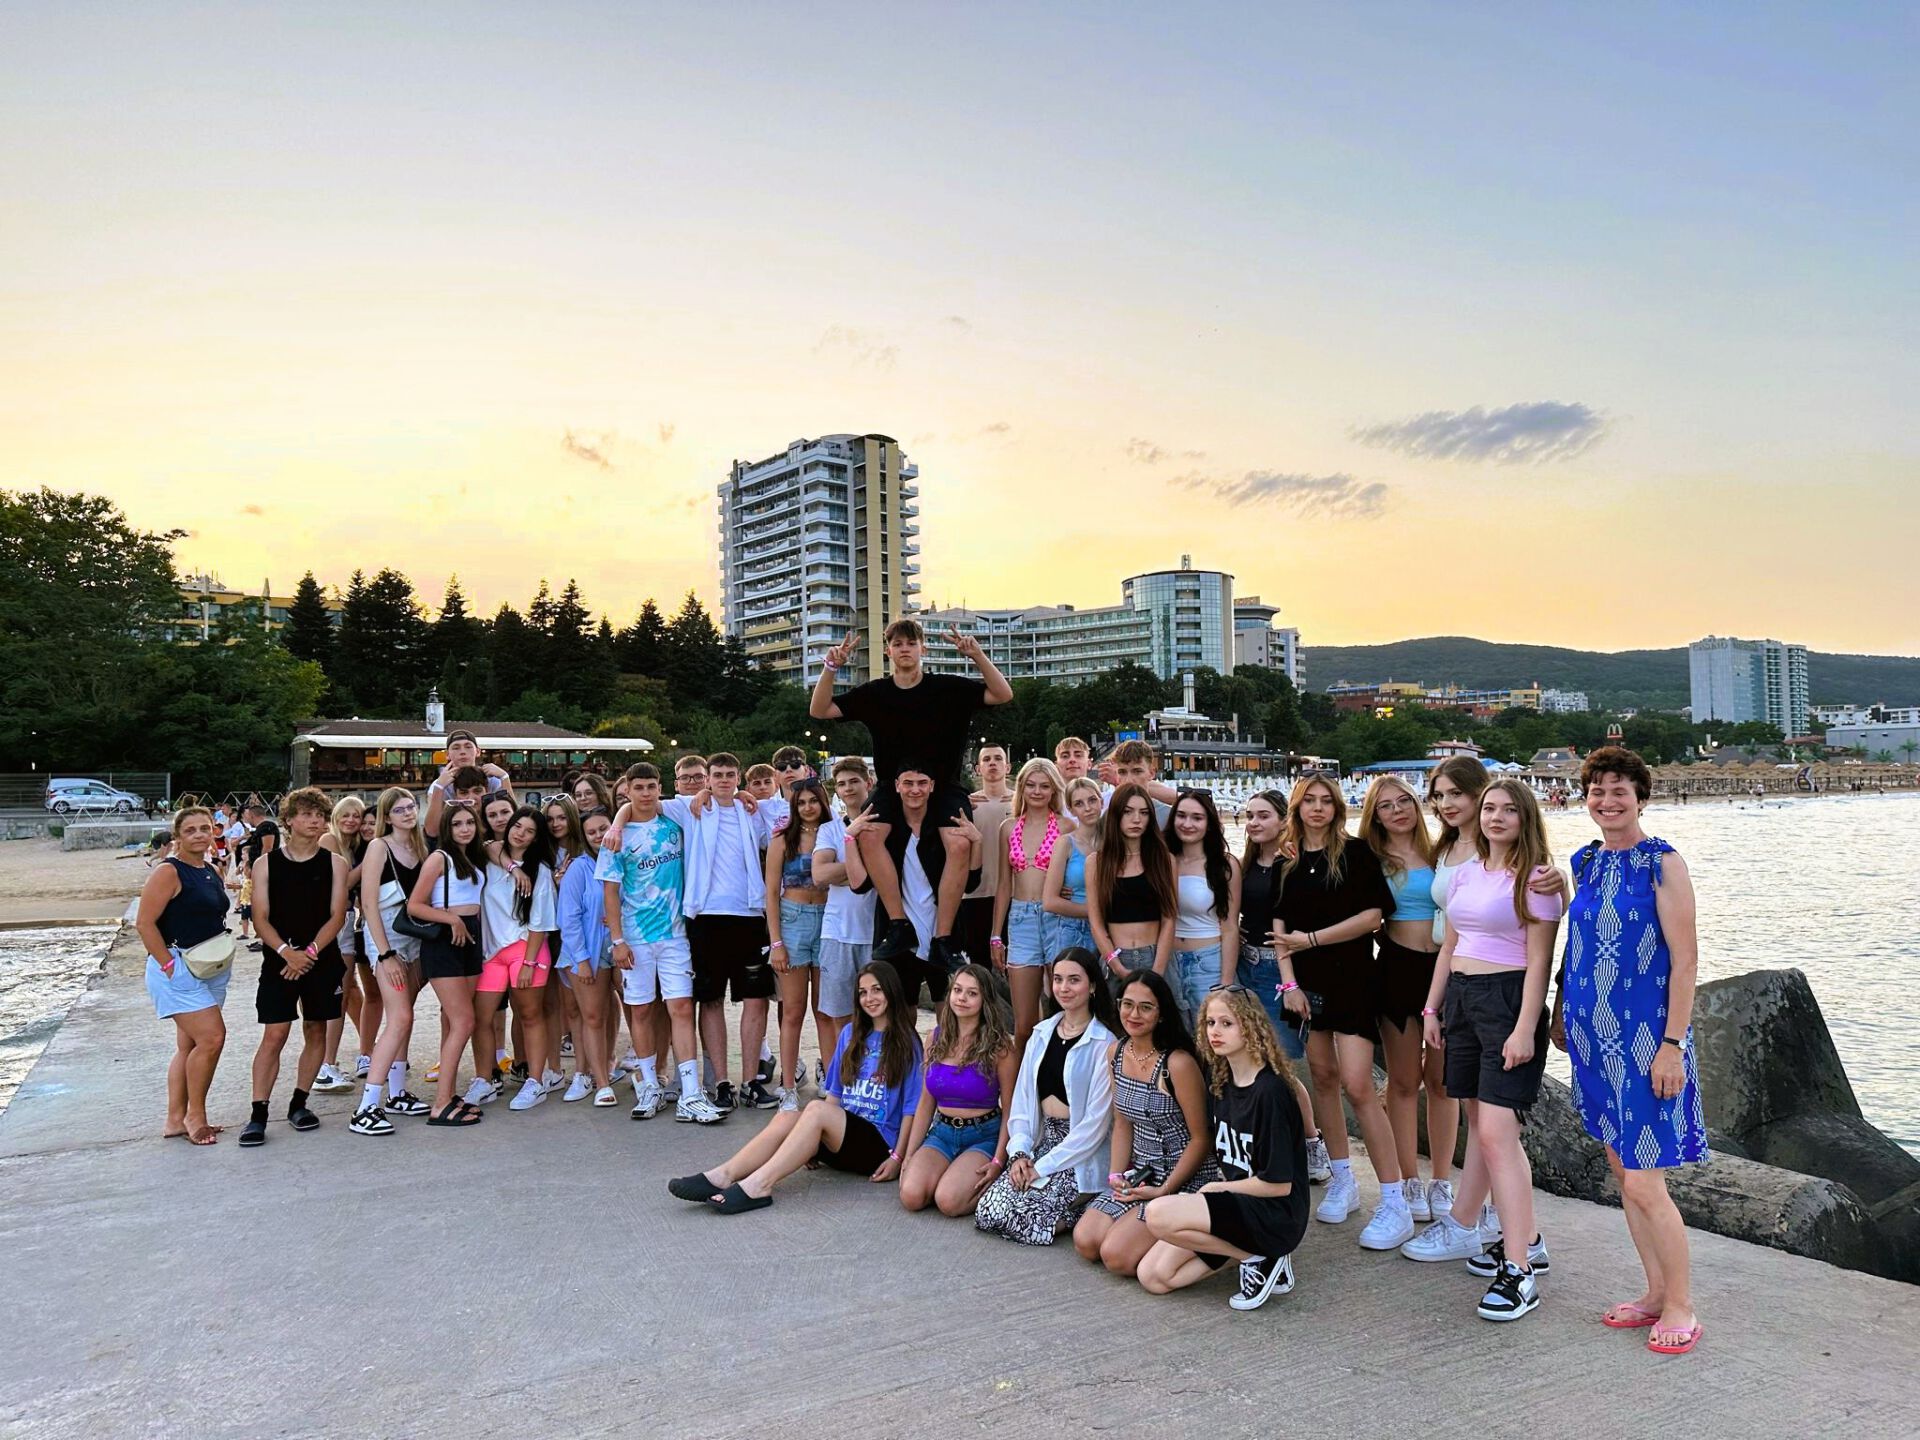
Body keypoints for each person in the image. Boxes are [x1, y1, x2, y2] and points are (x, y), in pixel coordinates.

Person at [1553, 747, 1707, 1355]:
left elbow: (1685, 961)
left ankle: (1682, 1304)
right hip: (1593, 1040)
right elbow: (1578, 945)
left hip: (1646, 1042)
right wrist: (1561, 1011)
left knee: (1645, 1181)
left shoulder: (1662, 864)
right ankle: (1654, 1292)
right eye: (1597, 790)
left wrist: (1672, 1046)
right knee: (1624, 1174)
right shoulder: (1586, 862)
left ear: (1641, 797)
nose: (1607, 800)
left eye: (1620, 790)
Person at [1400, 757, 1566, 1263]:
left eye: (1508, 810)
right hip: (1461, 999)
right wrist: (1432, 1009)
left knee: (1497, 1132)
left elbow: (1540, 962)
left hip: (1507, 1000)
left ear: (1525, 818)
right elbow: (1450, 946)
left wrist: (1524, 1029)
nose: (1496, 817)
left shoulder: (1535, 880)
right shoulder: (1465, 873)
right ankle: (1497, 1233)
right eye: (1490, 808)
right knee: (1481, 1124)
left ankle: (1518, 1255)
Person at [808, 617, 1013, 969]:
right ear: (888, 651)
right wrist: (831, 667)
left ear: (922, 648)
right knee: (868, 834)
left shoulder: (947, 687)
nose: (904, 649)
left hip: (944, 785)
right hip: (894, 785)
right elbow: (820, 709)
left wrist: (977, 655)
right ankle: (898, 923)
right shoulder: (876, 693)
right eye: (897, 644)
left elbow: (1002, 694)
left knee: (959, 842)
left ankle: (943, 937)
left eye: (911, 643)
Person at [1268, 774, 1408, 1247]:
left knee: (1358, 1085)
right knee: (1323, 1078)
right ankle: (1343, 1179)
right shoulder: (1287, 862)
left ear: (1337, 808)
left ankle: (1393, 1199)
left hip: (1352, 980)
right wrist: (1289, 983)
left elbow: (1373, 917)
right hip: (1304, 986)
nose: (1318, 808)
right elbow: (1278, 929)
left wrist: (1311, 940)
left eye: (1326, 801)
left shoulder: (1355, 853)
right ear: (1297, 807)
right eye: (1309, 800)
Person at [668, 962, 924, 1214]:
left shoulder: (907, 1042)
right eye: (863, 992)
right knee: (787, 1115)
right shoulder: (850, 1034)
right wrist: (811, 1139)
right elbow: (835, 1095)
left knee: (815, 1110)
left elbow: (912, 1109)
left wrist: (898, 1158)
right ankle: (722, 1175)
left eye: (877, 990)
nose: (869, 998)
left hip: (878, 1147)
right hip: (845, 1138)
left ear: (891, 990)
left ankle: (759, 1185)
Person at [1136, 985, 1310, 1311]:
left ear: (1250, 1027)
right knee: (1153, 1276)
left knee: (1157, 1215)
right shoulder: (1221, 1080)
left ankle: (1260, 1257)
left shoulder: (1270, 1092)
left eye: (1227, 1023)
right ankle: (1254, 1256)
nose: (1215, 1032)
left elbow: (1278, 1185)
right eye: (1210, 1023)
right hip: (1236, 1207)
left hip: (1274, 1214)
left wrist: (1216, 1188)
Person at [597, 763, 723, 1124]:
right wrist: (617, 941)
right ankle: (650, 1085)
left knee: (681, 1008)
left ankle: (691, 1093)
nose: (646, 793)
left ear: (660, 787)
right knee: (640, 1011)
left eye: (652, 786)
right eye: (639, 787)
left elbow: (712, 797)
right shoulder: (616, 838)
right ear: (628, 790)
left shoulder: (674, 824)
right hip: (635, 938)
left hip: (675, 935)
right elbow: (610, 892)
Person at [1073, 969, 1218, 1277]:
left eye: (1146, 1007)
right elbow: (1122, 1122)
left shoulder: (1177, 1063)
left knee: (1116, 1257)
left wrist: (1165, 1189)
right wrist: (1116, 1176)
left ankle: (1186, 1232)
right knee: (1086, 1241)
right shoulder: (1115, 1052)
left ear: (1161, 1014)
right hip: (1141, 1174)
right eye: (1127, 1004)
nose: (1134, 1014)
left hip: (1182, 1177)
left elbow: (1201, 1138)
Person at [975, 948, 1119, 1245]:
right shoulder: (1041, 1034)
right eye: (1058, 979)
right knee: (988, 1211)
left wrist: (1041, 1168)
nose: (1064, 988)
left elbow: (1094, 1127)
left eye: (1074, 980)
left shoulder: (1104, 1043)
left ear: (1092, 986)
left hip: (1079, 1153)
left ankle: (1084, 1207)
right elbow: (1022, 1104)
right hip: (1040, 1143)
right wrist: (1020, 1154)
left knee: (1027, 1222)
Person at [1359, 774, 1455, 1223]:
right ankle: (1409, 1178)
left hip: (1444, 971)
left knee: (1442, 1082)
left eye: (1404, 801)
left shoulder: (1442, 852)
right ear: (1375, 815)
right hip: (1396, 969)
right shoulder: (1369, 859)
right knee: (1402, 1082)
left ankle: (1441, 1180)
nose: (1397, 810)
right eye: (1386, 805)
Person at [240, 787, 350, 1148]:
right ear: (288, 820)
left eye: (320, 815)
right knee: (274, 1034)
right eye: (306, 814)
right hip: (279, 958)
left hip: (321, 958)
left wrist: (310, 953)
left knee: (316, 1029)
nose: (314, 821)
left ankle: (299, 1103)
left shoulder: (335, 864)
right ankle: (258, 1113)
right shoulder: (266, 864)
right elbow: (260, 917)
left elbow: (337, 915)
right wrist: (287, 953)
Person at [1234, 789, 1331, 1182]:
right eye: (1249, 816)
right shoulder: (1245, 864)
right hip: (1245, 966)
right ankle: (1264, 1145)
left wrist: (1292, 982)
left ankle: (1312, 1142)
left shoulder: (1292, 862)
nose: (1254, 823)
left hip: (1279, 970)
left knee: (1280, 1068)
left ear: (1283, 820)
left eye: (1263, 816)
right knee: (1251, 1063)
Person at [843, 763, 982, 1012]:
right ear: (897, 786)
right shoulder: (887, 836)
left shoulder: (944, 834)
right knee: (903, 1012)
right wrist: (849, 838)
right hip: (901, 934)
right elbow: (859, 884)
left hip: (940, 930)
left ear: (932, 786)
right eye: (908, 783)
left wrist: (977, 841)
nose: (915, 790)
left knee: (949, 1012)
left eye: (921, 783)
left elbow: (971, 883)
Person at [135, 806, 231, 1146]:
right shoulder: (168, 872)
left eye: (205, 828)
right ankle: (196, 1116)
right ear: (177, 837)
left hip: (210, 966)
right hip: (178, 967)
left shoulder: (210, 869)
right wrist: (169, 966)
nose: (200, 835)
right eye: (191, 830)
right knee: (212, 1038)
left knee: (189, 1045)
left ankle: (175, 1119)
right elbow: (144, 923)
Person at [895, 963, 1016, 1217]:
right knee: (911, 1195)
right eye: (958, 990)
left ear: (985, 1000)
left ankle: (984, 1182)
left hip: (983, 1134)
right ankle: (947, 1176)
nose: (962, 998)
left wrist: (999, 1160)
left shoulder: (1000, 1046)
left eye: (972, 993)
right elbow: (926, 1102)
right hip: (942, 1132)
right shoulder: (935, 1038)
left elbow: (1010, 1109)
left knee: (948, 1202)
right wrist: (909, 1154)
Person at [349, 787, 431, 1133]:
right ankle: (366, 1106)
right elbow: (368, 903)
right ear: (387, 816)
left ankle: (397, 1093)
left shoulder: (420, 846)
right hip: (387, 936)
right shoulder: (378, 847)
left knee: (405, 1016)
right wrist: (384, 954)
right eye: (399, 809)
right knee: (399, 1017)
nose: (408, 813)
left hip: (415, 936)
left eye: (411, 806)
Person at [470, 805, 559, 1110]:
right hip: (491, 953)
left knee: (529, 1016)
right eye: (517, 826)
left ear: (536, 838)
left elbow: (541, 922)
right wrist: (513, 868)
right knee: (481, 1018)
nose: (521, 834)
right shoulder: (489, 858)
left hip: (526, 949)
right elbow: (488, 845)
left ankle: (535, 1081)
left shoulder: (541, 871)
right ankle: (484, 1079)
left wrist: (529, 964)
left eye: (530, 831)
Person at [407, 801, 488, 1127]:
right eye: (457, 824)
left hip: (471, 939)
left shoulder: (473, 857)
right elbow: (415, 905)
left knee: (455, 1021)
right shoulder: (439, 858)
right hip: (445, 940)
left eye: (469, 822)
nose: (465, 829)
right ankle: (440, 1104)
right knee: (464, 1021)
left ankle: (449, 1094)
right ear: (447, 829)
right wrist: (451, 919)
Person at [990, 758, 1073, 1049]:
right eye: (1031, 785)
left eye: (1044, 786)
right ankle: (1024, 1077)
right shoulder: (1008, 827)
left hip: (1056, 918)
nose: (1037, 792)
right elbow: (1004, 884)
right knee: (1024, 1024)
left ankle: (1059, 1072)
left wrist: (1069, 891)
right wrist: (996, 935)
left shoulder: (1066, 826)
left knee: (1064, 1014)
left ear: (1054, 790)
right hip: (1021, 918)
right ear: (1022, 788)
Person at [810, 758, 879, 1088]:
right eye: (841, 784)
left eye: (854, 781)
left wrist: (848, 867)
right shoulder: (830, 829)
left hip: (875, 934)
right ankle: (846, 1082)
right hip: (838, 933)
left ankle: (875, 1082)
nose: (848, 788)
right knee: (841, 1016)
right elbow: (819, 874)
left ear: (869, 782)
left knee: (879, 1016)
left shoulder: (883, 825)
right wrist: (862, 865)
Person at [765, 777, 832, 1110]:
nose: (807, 807)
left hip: (828, 920)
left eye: (813, 801)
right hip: (793, 921)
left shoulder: (834, 834)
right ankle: (788, 1085)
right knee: (793, 1010)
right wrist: (776, 942)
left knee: (825, 1010)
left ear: (823, 802)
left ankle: (831, 1081)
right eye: (801, 802)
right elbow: (770, 894)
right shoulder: (782, 840)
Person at [555, 805, 618, 1106]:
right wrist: (581, 959)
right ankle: (601, 1083)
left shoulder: (625, 860)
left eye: (603, 828)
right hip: (588, 950)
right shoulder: (578, 869)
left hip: (623, 945)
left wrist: (619, 916)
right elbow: (568, 918)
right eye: (591, 832)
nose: (598, 835)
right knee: (593, 1016)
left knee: (639, 1010)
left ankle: (646, 1073)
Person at [1086, 783, 1176, 989]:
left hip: (1156, 956)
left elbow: (1169, 919)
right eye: (1128, 812)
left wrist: (1157, 971)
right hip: (1115, 957)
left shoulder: (1164, 860)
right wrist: (1116, 965)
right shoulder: (1096, 863)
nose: (1137, 819)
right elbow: (1096, 922)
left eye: (1144, 813)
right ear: (1116, 815)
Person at [1164, 789, 1241, 1025]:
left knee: (1211, 1035)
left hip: (1208, 963)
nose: (1187, 824)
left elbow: (1230, 927)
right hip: (1168, 961)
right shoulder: (1162, 860)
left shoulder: (1225, 865)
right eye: (1181, 815)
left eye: (1197, 818)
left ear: (1209, 824)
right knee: (1175, 1036)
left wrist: (1226, 983)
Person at [315, 795, 368, 1094]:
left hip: (346, 920)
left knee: (350, 991)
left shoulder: (352, 846)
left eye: (356, 816)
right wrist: (375, 856)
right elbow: (343, 883)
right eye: (345, 815)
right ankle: (326, 1064)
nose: (351, 820)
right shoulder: (329, 840)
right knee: (337, 993)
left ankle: (367, 1050)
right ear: (335, 817)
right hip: (330, 923)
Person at [959, 743, 1014, 966]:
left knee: (1015, 965)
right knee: (979, 966)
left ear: (1008, 767)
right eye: (987, 759)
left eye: (998, 758)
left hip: (1015, 895)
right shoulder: (966, 805)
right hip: (975, 895)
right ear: (978, 768)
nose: (992, 763)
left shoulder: (1023, 803)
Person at [1042, 776, 1103, 962]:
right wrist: (1096, 912)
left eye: (1092, 800)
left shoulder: (1114, 842)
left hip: (1111, 928)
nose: (1088, 808)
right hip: (1074, 928)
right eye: (1079, 803)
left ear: (1101, 801)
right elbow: (1049, 902)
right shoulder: (1065, 843)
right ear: (1071, 809)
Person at [423, 729, 513, 842]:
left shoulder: (492, 779)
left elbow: (514, 819)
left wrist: (505, 777)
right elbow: (432, 831)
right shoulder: (441, 785)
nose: (462, 752)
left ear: (478, 751)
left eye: (468, 747)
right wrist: (439, 787)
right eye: (456, 748)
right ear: (447, 755)